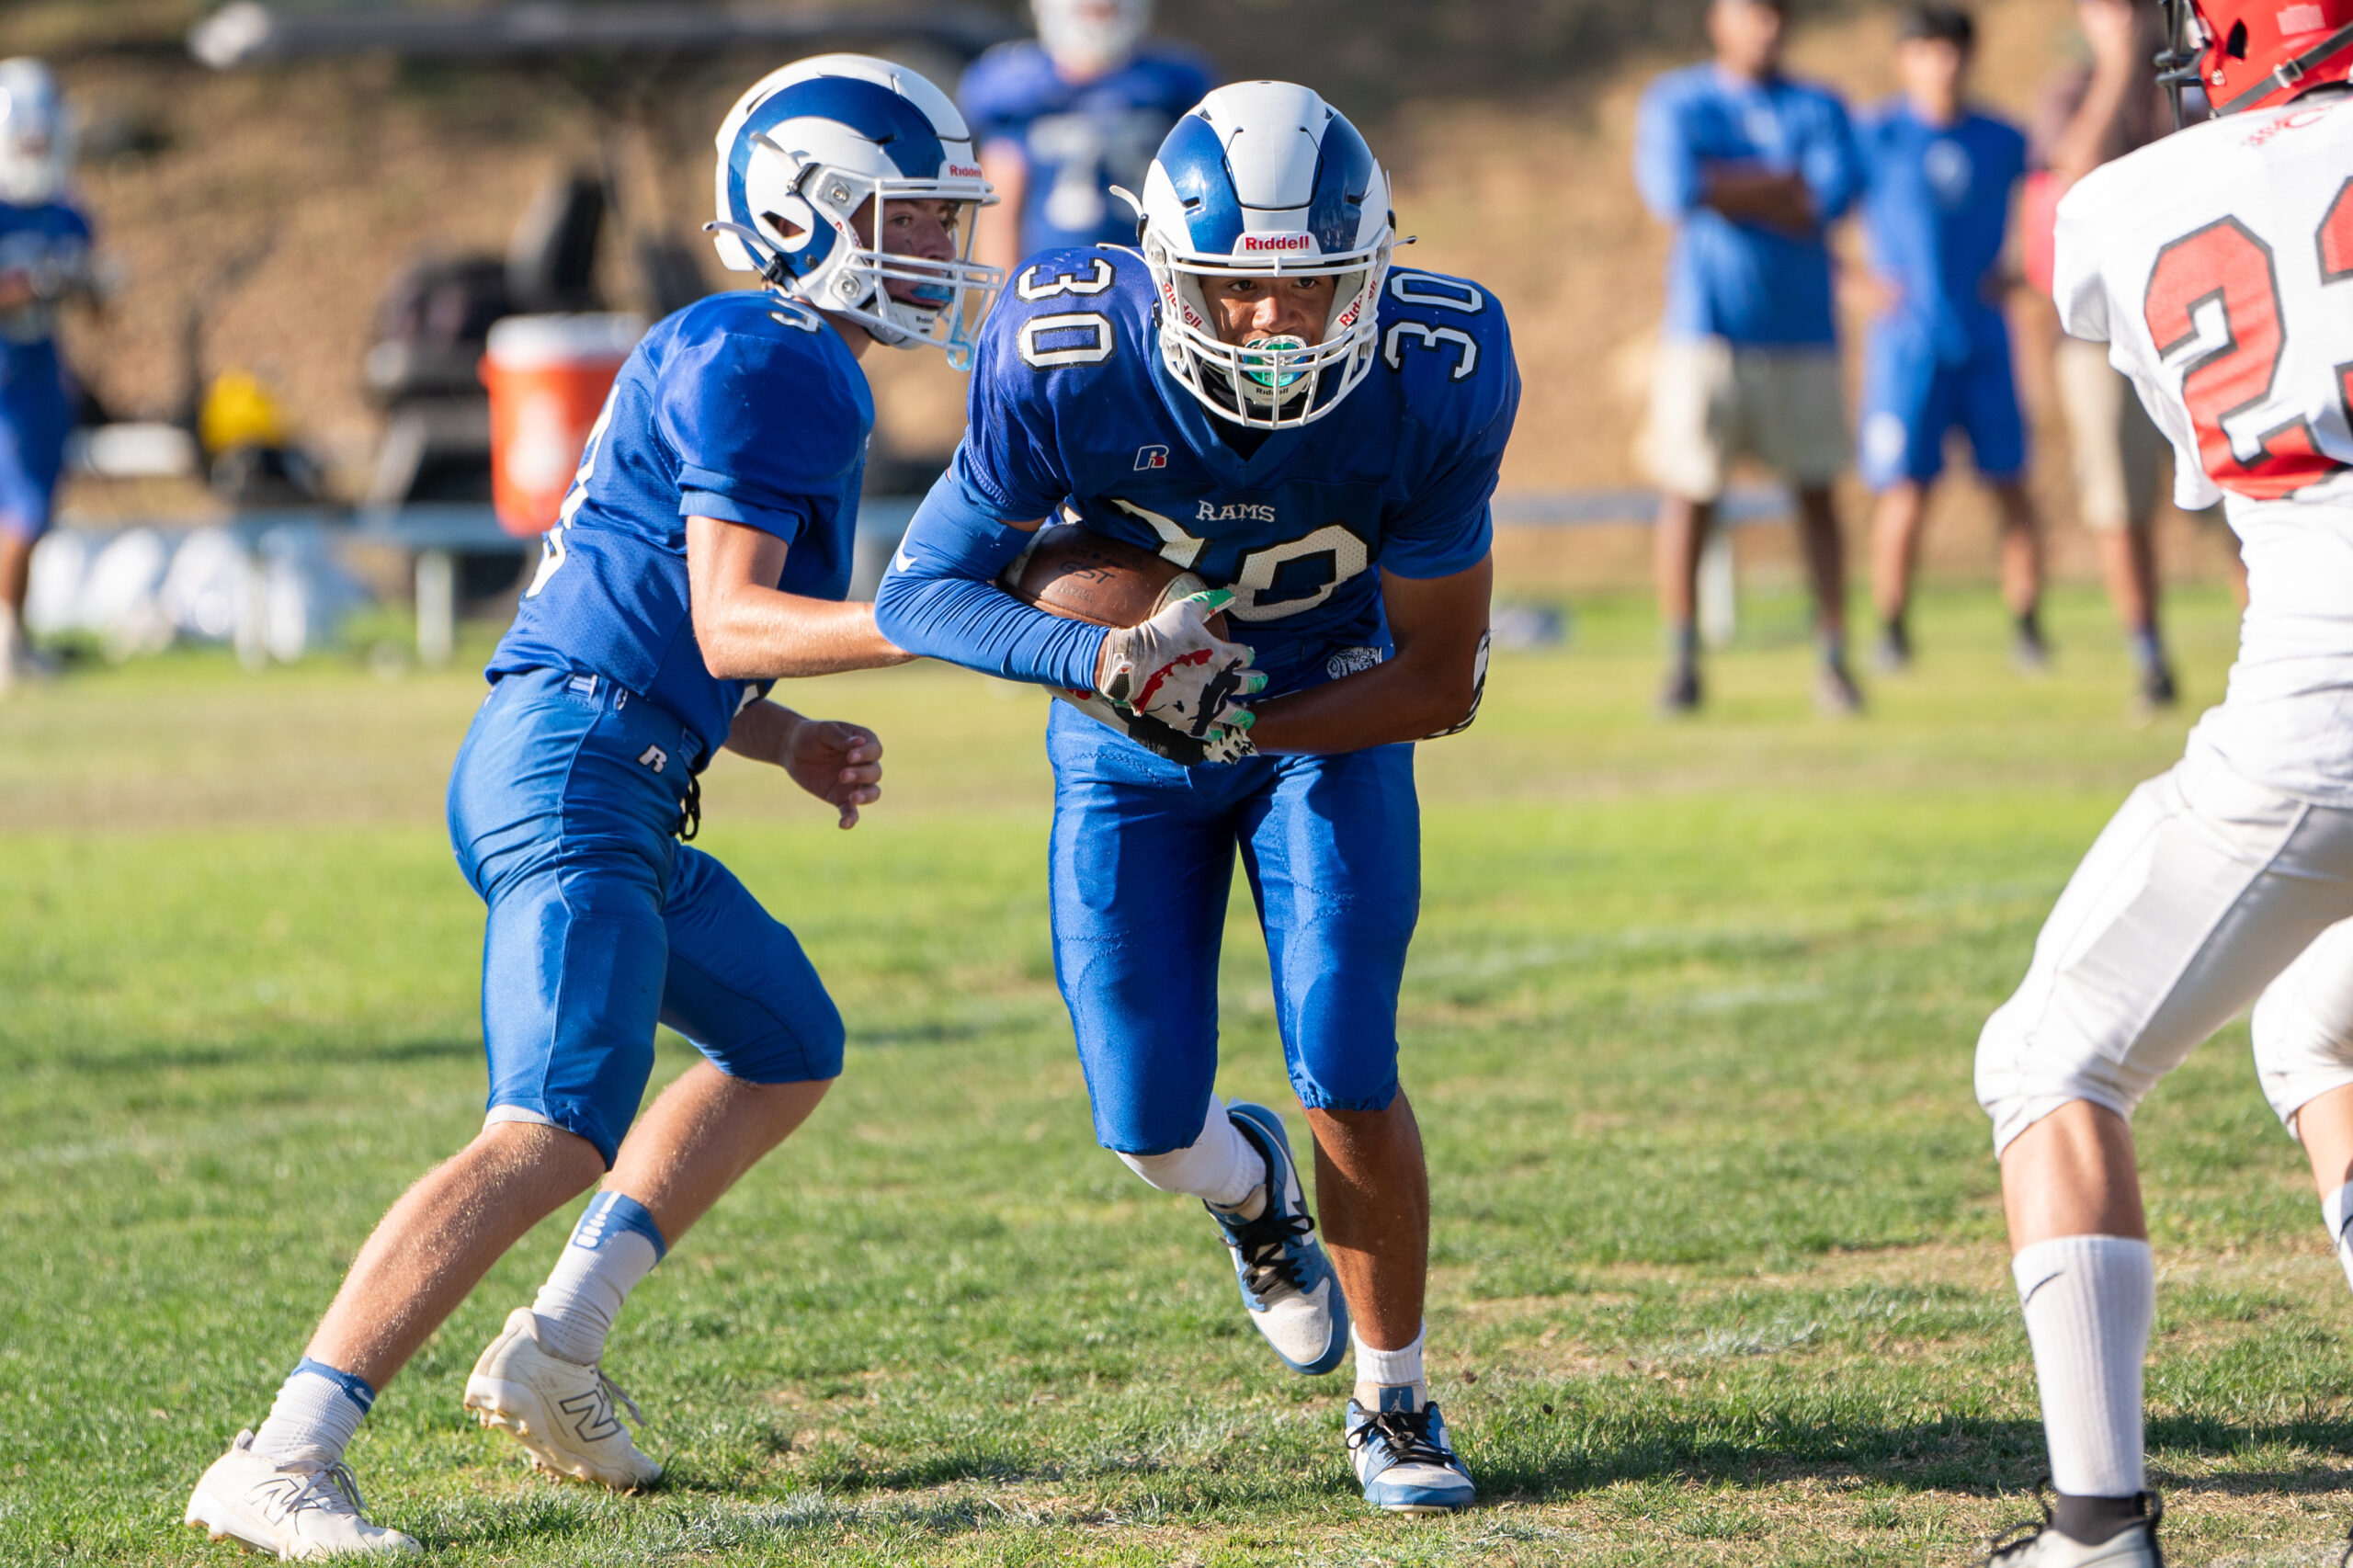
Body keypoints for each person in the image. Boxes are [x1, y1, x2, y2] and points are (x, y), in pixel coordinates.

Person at [181, 55, 1001, 1558]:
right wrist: (949, 614)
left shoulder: (750, 343)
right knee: (553, 1124)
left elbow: (679, 628)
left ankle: (557, 1347)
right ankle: (287, 1448)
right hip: (578, 768)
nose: (945, 253)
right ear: (810, 215)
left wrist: (788, 737)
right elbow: (733, 614)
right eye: (913, 217)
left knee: (785, 1040)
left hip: (601, 759)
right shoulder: (780, 359)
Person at [877, 83, 1517, 1513]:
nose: (1277, 331)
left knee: (1348, 1050)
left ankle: (1397, 1401)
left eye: (1310, 293)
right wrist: (1102, 658)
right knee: (1146, 1119)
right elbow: (919, 589)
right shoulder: (1063, 352)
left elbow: (1439, 679)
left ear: (1374, 273)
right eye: (1237, 296)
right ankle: (1250, 1197)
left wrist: (1244, 717)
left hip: (1327, 711)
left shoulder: (1440, 366)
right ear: (1169, 273)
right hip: (1125, 741)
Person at [1971, 0, 2353, 1555]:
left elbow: (2069, 224)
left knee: (2048, 1060)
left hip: (2321, 702)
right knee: (2318, 1027)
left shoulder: (2126, 205)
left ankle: (2096, 1526)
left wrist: (2118, 56)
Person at [1633, 0, 1864, 715]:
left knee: (1818, 495)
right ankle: (1681, 661)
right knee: (1690, 495)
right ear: (1717, 21)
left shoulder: (1820, 105)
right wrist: (1777, 183)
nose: (1764, 28)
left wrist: (1723, 184)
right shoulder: (1678, 100)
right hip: (1707, 332)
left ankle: (1832, 658)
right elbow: (1674, 190)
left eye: (1774, 15)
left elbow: (1826, 199)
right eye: (1749, 13)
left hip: (1803, 333)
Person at [2025, 0, 2233, 712]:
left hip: (2199, 323)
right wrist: (2116, 69)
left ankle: (2260, 637)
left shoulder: (2196, 87)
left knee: (2235, 492)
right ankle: (2148, 656)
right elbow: (2073, 171)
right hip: (2102, 338)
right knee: (2120, 500)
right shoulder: (2068, 93)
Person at [1854, 3, 2047, 673]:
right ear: (1904, 59)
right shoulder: (1874, 136)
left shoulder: (2001, 138)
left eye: (1953, 48)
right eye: (1927, 49)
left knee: (2012, 486)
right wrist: (1855, 282)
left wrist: (2029, 268)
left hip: (1987, 338)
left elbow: (2055, 194)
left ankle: (2026, 626)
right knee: (1905, 491)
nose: (1942, 62)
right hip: (1908, 346)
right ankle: (1891, 629)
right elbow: (1810, 209)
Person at [958, 0, 1214, 278]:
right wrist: (1003, 296)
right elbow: (1000, 210)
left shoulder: (1172, 83)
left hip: (1149, 271)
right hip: (1047, 276)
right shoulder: (1014, 86)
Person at [0, 57, 96, 694]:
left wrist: (88, 283)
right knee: (18, 515)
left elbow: (96, 305)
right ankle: (7, 638)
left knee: (30, 511)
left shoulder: (67, 211)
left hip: (37, 377)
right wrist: (29, 285)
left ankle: (13, 636)